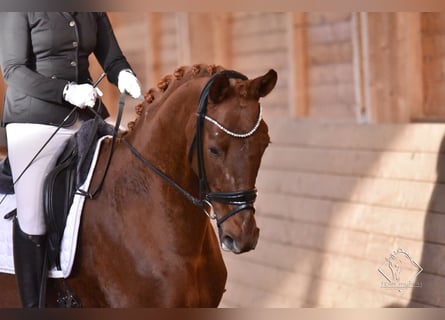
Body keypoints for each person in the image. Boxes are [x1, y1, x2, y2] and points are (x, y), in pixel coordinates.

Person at [0, 12, 142, 307]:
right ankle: (33, 306)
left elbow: (111, 56)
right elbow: (13, 70)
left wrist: (123, 73)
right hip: (34, 119)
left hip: (86, 114)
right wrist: (65, 91)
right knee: (32, 215)